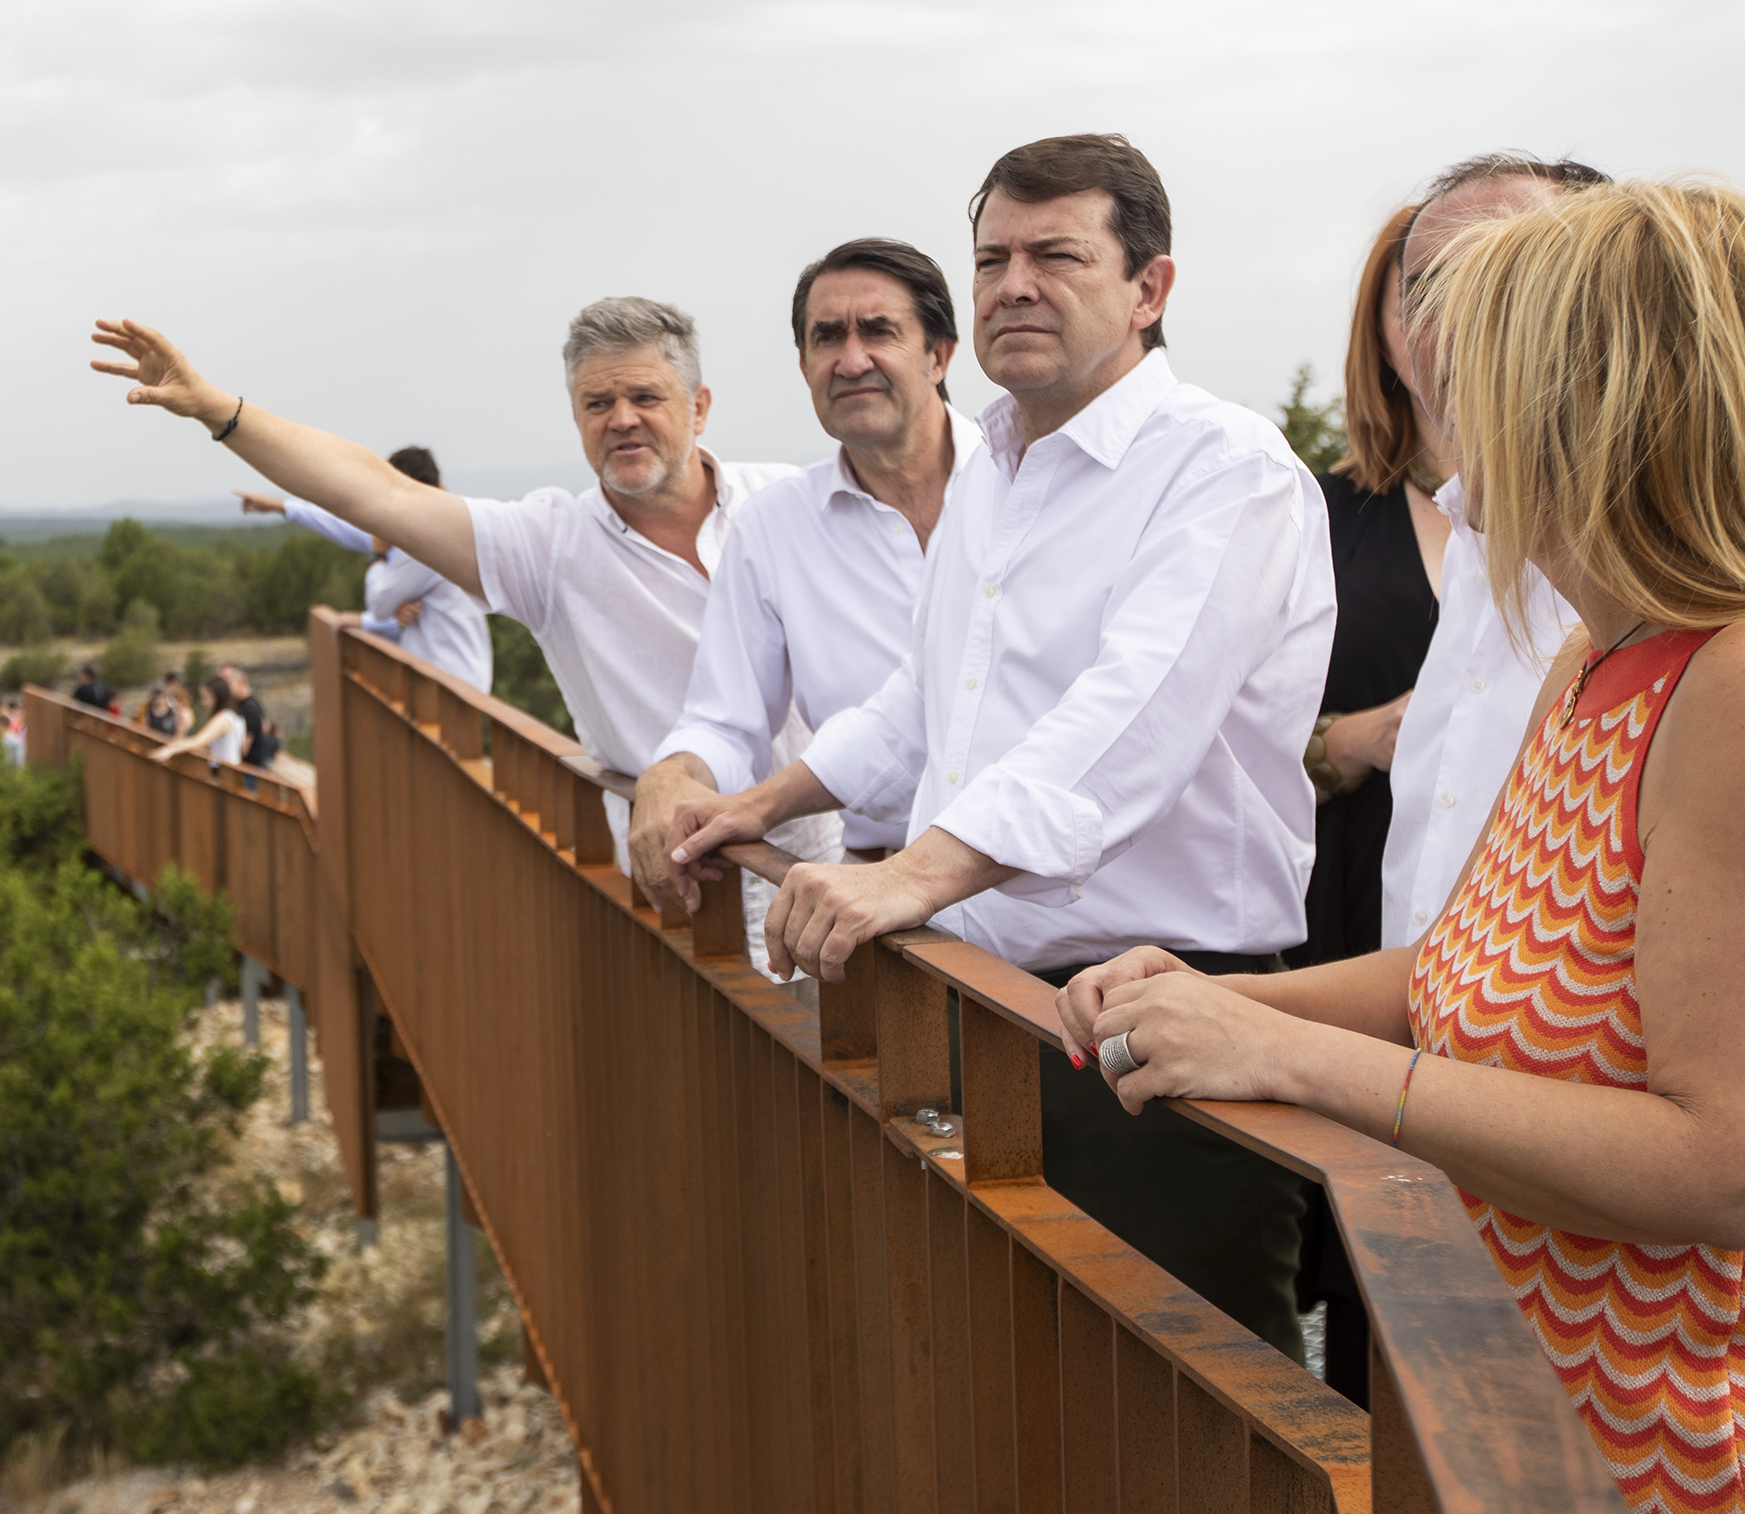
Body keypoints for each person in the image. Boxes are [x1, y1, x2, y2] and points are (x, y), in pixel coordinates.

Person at [1056, 180, 1745, 1514]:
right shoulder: (1594, 658)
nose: (1442, 417)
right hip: (1514, 1409)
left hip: (1663, 1473)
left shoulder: (1722, 689)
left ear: (1590, 409)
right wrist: (1214, 1002)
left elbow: (1716, 1162)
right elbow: (1465, 963)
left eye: (1477, 373)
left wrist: (1297, 1061)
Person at [664, 135, 1334, 1359]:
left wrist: (908, 875)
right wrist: (759, 800)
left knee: (1182, 1437)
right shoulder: (999, 468)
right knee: (1008, 1394)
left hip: (1154, 1030)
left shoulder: (1223, 469)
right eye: (991, 258)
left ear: (1149, 289)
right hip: (985, 1008)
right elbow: (922, 705)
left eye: (1055, 254)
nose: (1012, 283)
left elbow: (1130, 721)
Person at [91, 296, 837, 972]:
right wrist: (217, 409)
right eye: (597, 402)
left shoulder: (785, 501)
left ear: (699, 406)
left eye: (647, 396)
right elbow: (379, 494)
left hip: (826, 871)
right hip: (686, 897)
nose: (621, 419)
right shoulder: (550, 544)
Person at [633, 238, 982, 912]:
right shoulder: (774, 526)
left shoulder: (1025, 486)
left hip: (1047, 899)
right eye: (827, 338)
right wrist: (671, 776)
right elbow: (726, 719)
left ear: (939, 355)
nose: (852, 360)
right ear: (804, 366)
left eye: (879, 331)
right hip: (876, 900)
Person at [1380, 154, 1607, 949]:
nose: (1456, 317)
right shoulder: (1473, 538)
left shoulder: (1669, 587)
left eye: (1507, 270)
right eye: (1427, 289)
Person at [1288, 204, 1446, 968]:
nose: (1452, 317)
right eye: (1418, 293)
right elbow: (1214, 734)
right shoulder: (1312, 515)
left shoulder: (1597, 518)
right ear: (1379, 335)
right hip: (1356, 891)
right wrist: (1345, 742)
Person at [240, 447, 494, 691]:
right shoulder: (436, 524)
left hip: (450, 684)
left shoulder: (430, 539)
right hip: (455, 678)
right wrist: (283, 508)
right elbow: (349, 528)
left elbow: (379, 602)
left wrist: (378, 556)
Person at [149, 673, 247, 768]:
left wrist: (169, 750)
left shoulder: (223, 718)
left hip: (225, 772)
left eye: (206, 698)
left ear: (218, 697)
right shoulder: (233, 716)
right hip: (229, 769)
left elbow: (197, 742)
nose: (203, 703)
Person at [217, 663, 282, 769]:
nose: (223, 687)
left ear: (240, 681)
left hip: (249, 771)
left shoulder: (248, 708)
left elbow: (243, 749)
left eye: (227, 681)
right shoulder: (246, 705)